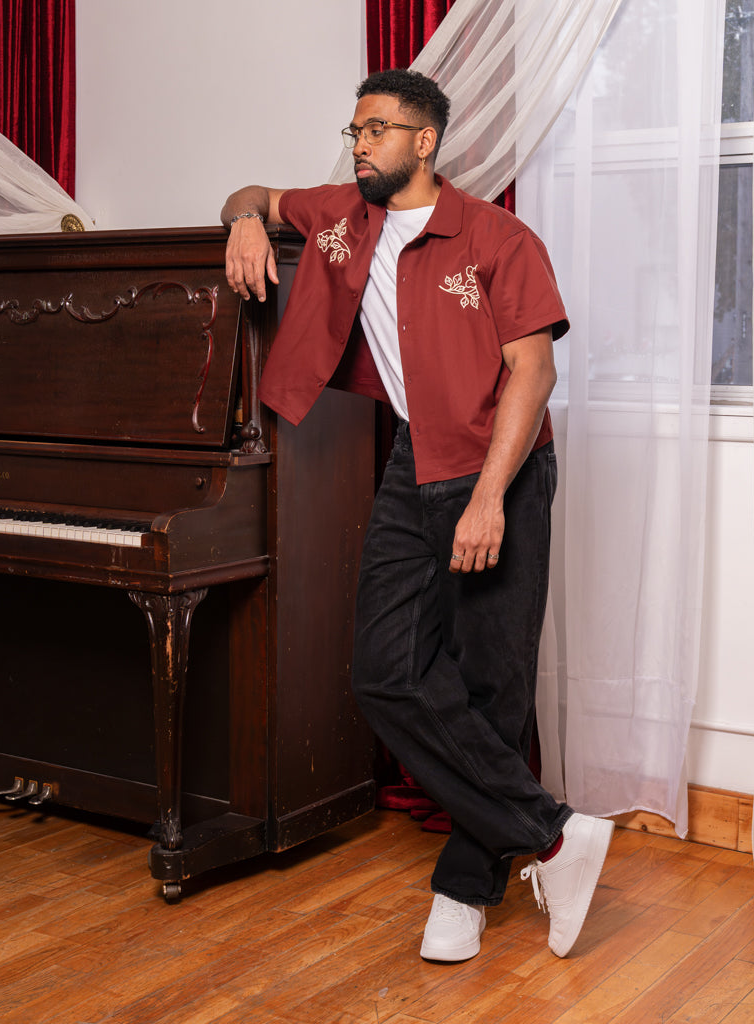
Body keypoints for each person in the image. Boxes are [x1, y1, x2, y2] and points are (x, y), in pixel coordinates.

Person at [222, 68, 614, 963]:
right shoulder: (340, 216)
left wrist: (487, 501)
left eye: (376, 130)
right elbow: (250, 191)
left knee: (492, 682)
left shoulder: (496, 236)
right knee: (384, 672)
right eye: (354, 130)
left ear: (424, 141)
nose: (358, 144)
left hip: (499, 472)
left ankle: (466, 889)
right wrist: (244, 218)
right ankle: (553, 835)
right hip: (410, 465)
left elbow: (534, 373)